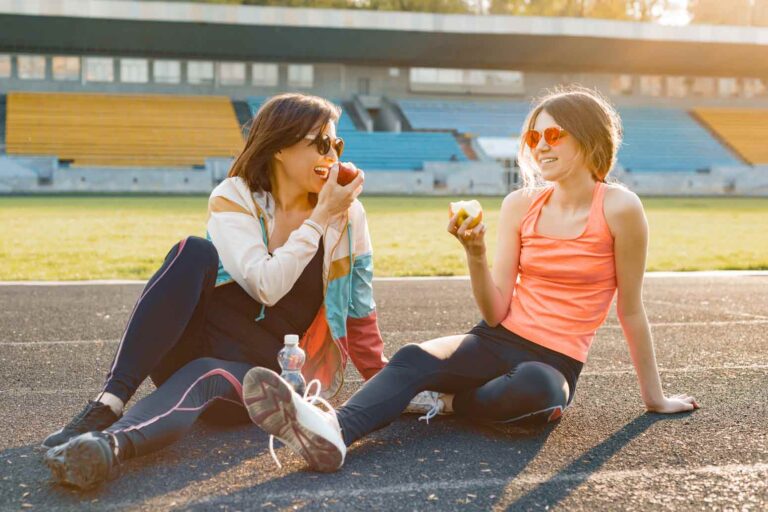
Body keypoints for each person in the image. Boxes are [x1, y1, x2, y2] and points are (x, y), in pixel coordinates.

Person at [241, 86, 700, 472]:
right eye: (532, 135)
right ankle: (332, 431)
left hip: (554, 363)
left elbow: (631, 309)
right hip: (495, 339)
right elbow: (495, 311)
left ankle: (449, 403)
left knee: (536, 392)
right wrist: (475, 253)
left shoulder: (620, 208)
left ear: (588, 139)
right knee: (414, 357)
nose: (540, 145)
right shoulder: (522, 205)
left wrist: (654, 398)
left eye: (553, 134)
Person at [44, 93, 387, 488]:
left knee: (206, 374)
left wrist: (405, 388)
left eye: (337, 145)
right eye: (321, 143)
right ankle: (108, 404)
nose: (333, 156)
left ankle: (106, 447)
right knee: (193, 250)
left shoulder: (348, 217)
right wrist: (319, 219)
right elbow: (266, 285)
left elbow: (361, 313)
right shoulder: (234, 196)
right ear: (278, 147)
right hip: (194, 341)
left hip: (261, 374)